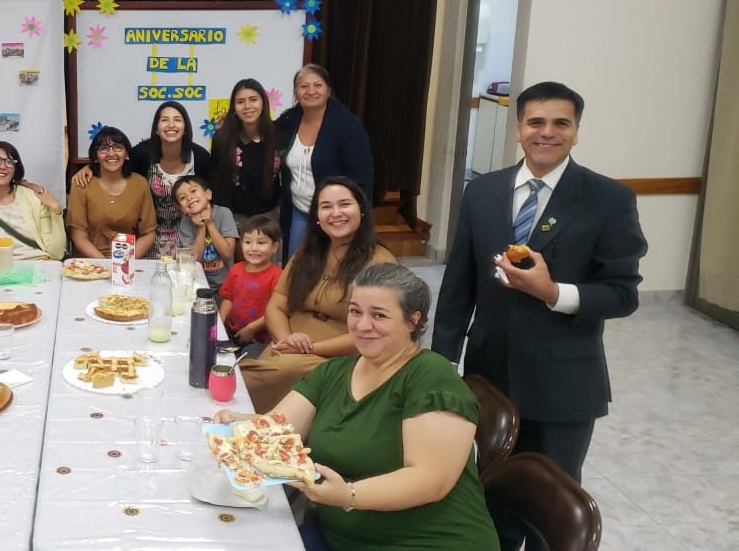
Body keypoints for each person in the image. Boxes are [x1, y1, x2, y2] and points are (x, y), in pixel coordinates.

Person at [432, 81, 647, 550]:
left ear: (575, 132)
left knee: (548, 510)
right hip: (490, 377)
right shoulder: (483, 192)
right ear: (518, 128)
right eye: (536, 122)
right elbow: (458, 284)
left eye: (560, 124)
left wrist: (555, 293)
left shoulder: (607, 199)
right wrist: (443, 364)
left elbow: (622, 293)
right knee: (493, 500)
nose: (546, 133)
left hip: (563, 386)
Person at [217, 263, 498, 551]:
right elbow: (276, 428)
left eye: (379, 315)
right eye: (355, 311)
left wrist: (349, 495)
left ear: (412, 321)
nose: (362, 326)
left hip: (430, 542)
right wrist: (238, 421)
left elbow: (430, 480)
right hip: (341, 538)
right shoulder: (333, 373)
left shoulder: (430, 376)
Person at [239, 177, 396, 413]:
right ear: (317, 216)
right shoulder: (308, 252)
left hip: (336, 358)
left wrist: (309, 349)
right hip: (287, 346)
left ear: (361, 210)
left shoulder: (379, 262)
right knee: (256, 374)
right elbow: (277, 304)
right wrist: (285, 340)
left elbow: (373, 333)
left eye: (344, 204)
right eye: (326, 207)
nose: (336, 213)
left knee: (242, 378)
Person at [72, 101, 212, 257]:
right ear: (156, 129)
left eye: (177, 119)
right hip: (153, 237)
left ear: (186, 127)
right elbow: (115, 163)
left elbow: (209, 194)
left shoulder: (200, 157)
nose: (171, 125)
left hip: (190, 233)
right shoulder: (143, 154)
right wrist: (90, 167)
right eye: (165, 120)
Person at [275, 65, 374, 259]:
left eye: (317, 85)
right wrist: (231, 125)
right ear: (296, 92)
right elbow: (263, 134)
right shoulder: (288, 120)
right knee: (297, 269)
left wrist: (356, 216)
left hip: (336, 215)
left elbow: (363, 176)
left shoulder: (348, 126)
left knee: (335, 266)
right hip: (300, 212)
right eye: (304, 86)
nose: (311, 91)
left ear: (328, 90)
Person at [0, 141, 67, 261]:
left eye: (10, 162)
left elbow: (57, 254)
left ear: (15, 171)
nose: (2, 166)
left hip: (39, 265)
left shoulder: (34, 198)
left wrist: (56, 211)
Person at [66, 126, 157, 259]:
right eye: (103, 149)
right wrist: (106, 265)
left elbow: (148, 234)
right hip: (90, 263)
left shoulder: (140, 184)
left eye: (117, 147)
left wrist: (125, 262)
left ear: (126, 154)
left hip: (129, 261)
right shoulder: (82, 184)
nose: (111, 153)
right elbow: (78, 236)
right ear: (95, 156)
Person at [210, 79, 283, 228]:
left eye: (253, 100)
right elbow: (219, 184)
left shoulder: (278, 136)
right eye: (240, 102)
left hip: (269, 219)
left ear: (263, 103)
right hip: (234, 219)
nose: (247, 106)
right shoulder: (223, 137)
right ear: (234, 107)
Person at [218, 215, 284, 348]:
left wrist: (251, 329)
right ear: (241, 244)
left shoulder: (278, 276)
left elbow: (276, 310)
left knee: (245, 365)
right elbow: (228, 298)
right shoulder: (236, 270)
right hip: (232, 331)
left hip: (260, 339)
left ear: (275, 247)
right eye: (248, 242)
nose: (253, 248)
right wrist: (219, 322)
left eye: (261, 243)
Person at [171, 175, 238, 290]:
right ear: (182, 209)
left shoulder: (224, 214)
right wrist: (201, 228)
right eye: (182, 198)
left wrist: (209, 223)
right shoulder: (185, 223)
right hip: (196, 285)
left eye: (193, 191)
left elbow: (227, 254)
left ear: (208, 194)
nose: (189, 198)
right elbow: (193, 260)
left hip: (225, 286)